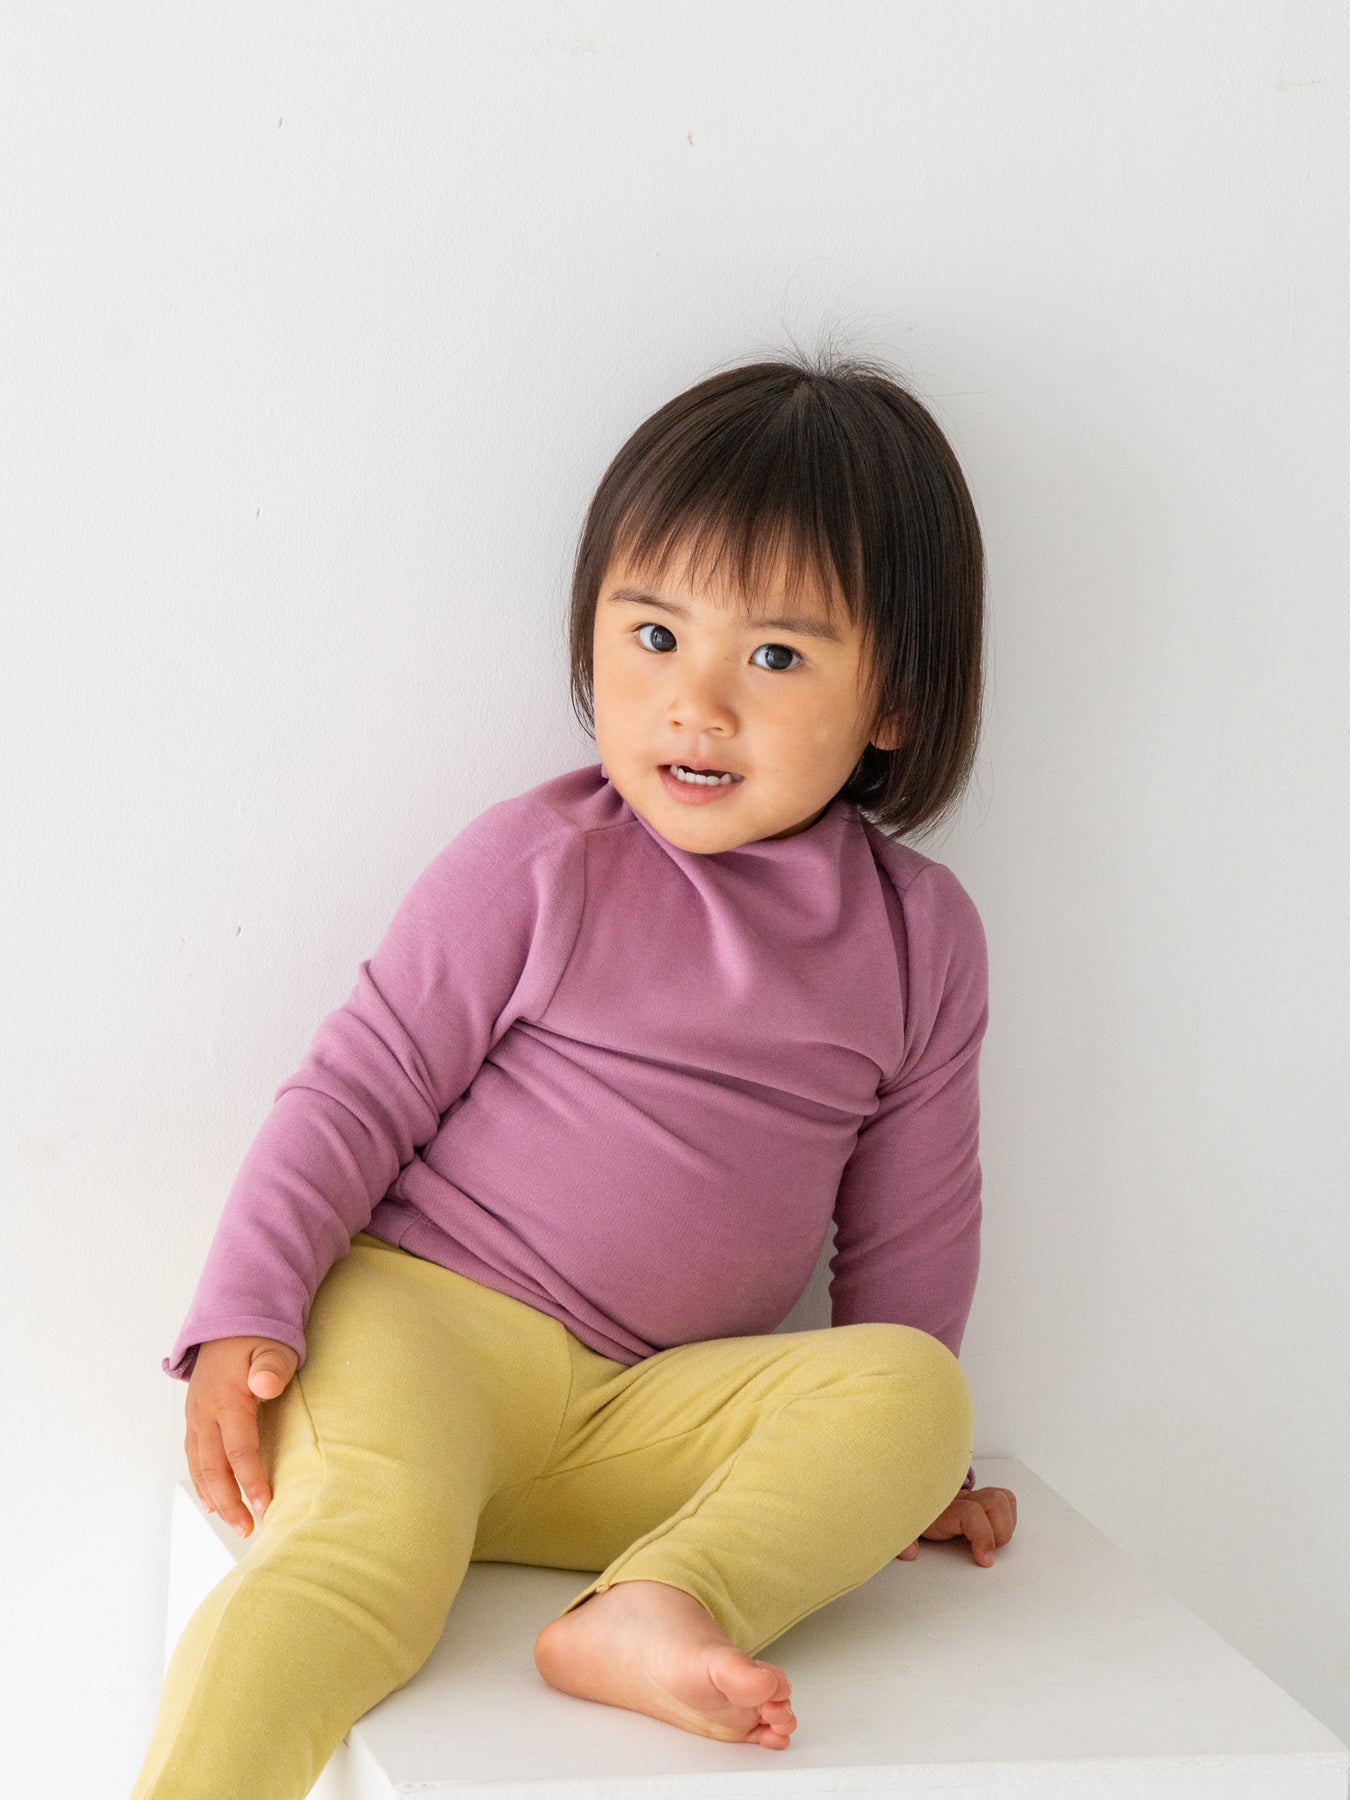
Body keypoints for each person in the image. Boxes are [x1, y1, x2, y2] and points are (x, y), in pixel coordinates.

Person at [131, 348, 1017, 1799]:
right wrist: (246, 1305)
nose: (697, 703)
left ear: (897, 700)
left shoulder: (922, 940)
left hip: (645, 1419)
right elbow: (356, 1091)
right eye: (653, 634)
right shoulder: (544, 862)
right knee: (359, 1570)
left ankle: (654, 1603)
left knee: (917, 1392)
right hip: (425, 1341)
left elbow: (912, 1225)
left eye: (775, 657)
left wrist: (908, 1477)